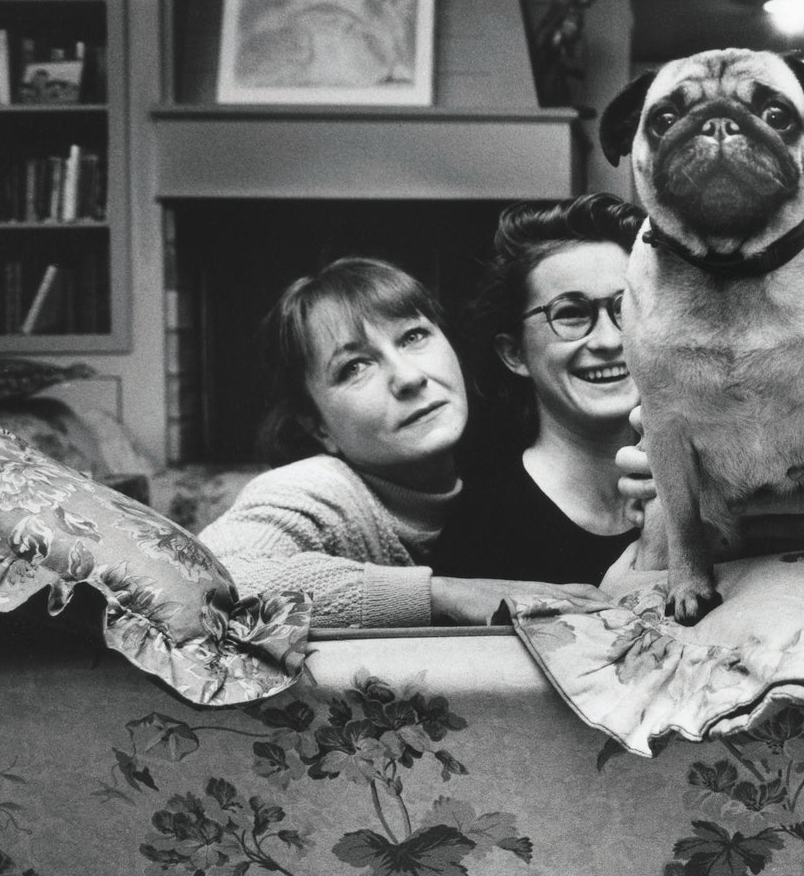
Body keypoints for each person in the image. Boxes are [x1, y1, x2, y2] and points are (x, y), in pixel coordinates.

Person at [202, 257, 606, 628]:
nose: (409, 377)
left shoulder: (503, 461)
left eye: (414, 336)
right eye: (354, 367)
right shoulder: (321, 489)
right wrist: (445, 593)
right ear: (317, 427)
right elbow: (208, 582)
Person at [436, 193, 648, 586]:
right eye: (570, 313)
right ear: (514, 353)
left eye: (625, 308)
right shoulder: (482, 530)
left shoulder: (705, 497)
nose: (608, 340)